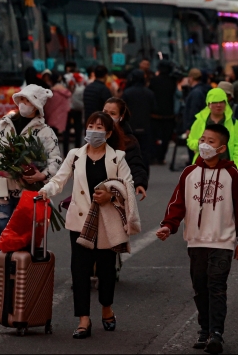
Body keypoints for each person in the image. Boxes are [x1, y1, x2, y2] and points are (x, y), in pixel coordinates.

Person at [156, 124, 238, 354]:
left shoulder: (231, 175)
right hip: (196, 241)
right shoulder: (189, 173)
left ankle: (216, 333)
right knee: (200, 287)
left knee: (217, 286)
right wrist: (168, 226)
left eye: (210, 141)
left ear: (221, 148)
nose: (204, 144)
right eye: (202, 139)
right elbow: (177, 204)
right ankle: (204, 329)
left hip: (222, 241)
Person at [39, 112, 137, 338]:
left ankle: (106, 307)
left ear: (109, 133)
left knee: (106, 269)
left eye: (100, 127)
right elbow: (59, 180)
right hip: (80, 222)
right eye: (90, 125)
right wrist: (45, 191)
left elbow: (127, 187)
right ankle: (83, 319)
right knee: (80, 270)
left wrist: (111, 197)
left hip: (108, 221)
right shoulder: (75, 155)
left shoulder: (118, 158)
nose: (93, 130)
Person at [0, 84, 62, 287]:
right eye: (21, 100)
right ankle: (1, 269)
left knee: (25, 231)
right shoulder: (4, 125)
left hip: (30, 192)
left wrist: (42, 175)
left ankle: (23, 268)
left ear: (37, 106)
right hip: (3, 186)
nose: (23, 104)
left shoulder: (45, 132)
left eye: (28, 101)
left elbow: (55, 159)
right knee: (1, 226)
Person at [187, 88, 238, 172]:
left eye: (222, 102)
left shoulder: (234, 123)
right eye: (214, 102)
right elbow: (190, 141)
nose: (219, 105)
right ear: (208, 104)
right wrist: (199, 144)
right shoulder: (200, 121)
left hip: (226, 166)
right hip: (202, 167)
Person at [103, 98, 149, 200]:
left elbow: (135, 163)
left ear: (121, 117)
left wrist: (139, 183)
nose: (107, 116)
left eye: (113, 113)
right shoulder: (95, 135)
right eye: (105, 112)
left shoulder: (128, 140)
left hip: (117, 192)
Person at [122, 69, 156, 168]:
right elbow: (154, 108)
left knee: (130, 151)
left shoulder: (127, 93)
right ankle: (144, 174)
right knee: (144, 152)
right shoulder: (149, 93)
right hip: (146, 126)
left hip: (130, 126)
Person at [149, 60, 177, 165]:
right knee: (166, 137)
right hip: (169, 114)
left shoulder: (154, 81)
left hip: (155, 114)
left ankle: (154, 156)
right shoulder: (172, 81)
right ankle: (161, 157)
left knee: (154, 136)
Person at [63, 64, 87, 156]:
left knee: (66, 131)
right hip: (78, 109)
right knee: (78, 130)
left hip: (67, 109)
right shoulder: (82, 79)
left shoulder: (65, 78)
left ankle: (65, 153)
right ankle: (77, 152)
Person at [42, 69, 72, 136]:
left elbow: (48, 107)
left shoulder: (52, 93)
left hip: (53, 117)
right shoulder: (65, 91)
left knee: (53, 135)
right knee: (66, 133)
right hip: (64, 115)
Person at [183, 68, 211, 132]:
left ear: (191, 78)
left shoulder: (195, 92)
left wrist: (190, 127)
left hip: (195, 127)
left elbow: (194, 110)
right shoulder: (203, 89)